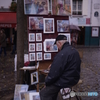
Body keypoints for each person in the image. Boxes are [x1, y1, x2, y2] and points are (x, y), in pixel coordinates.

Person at [40, 35, 81, 100]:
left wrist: (47, 83)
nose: (58, 47)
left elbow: (54, 74)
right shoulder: (74, 51)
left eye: (57, 45)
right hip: (74, 79)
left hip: (64, 82)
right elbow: (69, 66)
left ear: (59, 43)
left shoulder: (62, 54)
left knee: (44, 93)